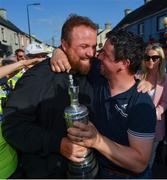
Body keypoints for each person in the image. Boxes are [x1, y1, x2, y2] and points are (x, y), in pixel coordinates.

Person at [51, 30, 156, 178]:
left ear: (124, 63)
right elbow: (77, 55)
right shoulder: (99, 74)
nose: (98, 57)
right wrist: (59, 51)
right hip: (99, 170)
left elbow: (139, 163)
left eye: (105, 54)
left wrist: (97, 140)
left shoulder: (141, 104)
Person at [2, 15, 97, 178]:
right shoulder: (38, 77)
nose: (91, 53)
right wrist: (58, 144)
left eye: (94, 46)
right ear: (65, 45)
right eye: (84, 46)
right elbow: (12, 126)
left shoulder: (92, 70)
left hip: (88, 170)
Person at [139, 43, 167, 168]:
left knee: (148, 163)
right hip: (137, 126)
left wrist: (154, 113)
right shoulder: (138, 76)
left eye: (154, 58)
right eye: (147, 58)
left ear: (161, 59)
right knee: (137, 161)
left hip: (155, 127)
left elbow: (166, 102)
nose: (150, 61)